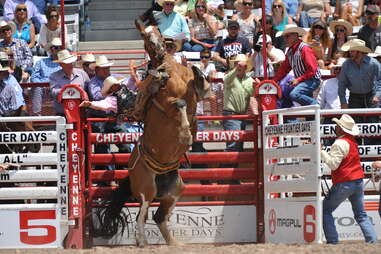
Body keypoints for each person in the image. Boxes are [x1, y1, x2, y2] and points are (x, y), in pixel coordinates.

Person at [321, 114, 378, 244]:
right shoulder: (352, 141)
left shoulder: (339, 143)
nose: (336, 127)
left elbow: (333, 164)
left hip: (344, 182)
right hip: (357, 181)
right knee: (361, 214)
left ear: (341, 129)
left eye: (338, 126)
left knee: (325, 210)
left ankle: (332, 241)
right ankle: (372, 241)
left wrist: (322, 152)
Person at [338, 39, 381, 144]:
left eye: (353, 51)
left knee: (373, 124)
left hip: (370, 96)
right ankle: (356, 150)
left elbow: (380, 80)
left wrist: (378, 95)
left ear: (359, 51)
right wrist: (343, 102)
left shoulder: (373, 63)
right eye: (350, 51)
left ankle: (372, 151)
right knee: (354, 125)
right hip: (354, 97)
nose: (350, 53)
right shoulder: (346, 65)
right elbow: (341, 85)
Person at [273, 24, 321, 106]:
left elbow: (312, 70)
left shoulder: (304, 49)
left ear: (295, 36)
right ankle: (311, 115)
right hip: (304, 80)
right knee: (304, 103)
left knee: (294, 94)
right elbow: (284, 69)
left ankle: (316, 105)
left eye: (287, 36)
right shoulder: (290, 51)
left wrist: (298, 80)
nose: (285, 39)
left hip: (312, 80)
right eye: (284, 37)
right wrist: (273, 81)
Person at [50, 49, 89, 116]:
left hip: (81, 112)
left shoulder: (82, 74)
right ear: (61, 64)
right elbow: (53, 92)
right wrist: (71, 90)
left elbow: (88, 88)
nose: (70, 64)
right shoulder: (54, 76)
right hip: (62, 113)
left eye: (70, 62)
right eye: (67, 63)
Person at [30, 37, 62, 116]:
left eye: (60, 48)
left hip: (58, 87)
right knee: (37, 88)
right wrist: (43, 85)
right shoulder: (41, 62)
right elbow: (34, 77)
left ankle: (61, 114)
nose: (59, 50)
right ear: (51, 49)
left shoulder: (64, 62)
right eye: (56, 48)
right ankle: (37, 116)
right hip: (43, 88)